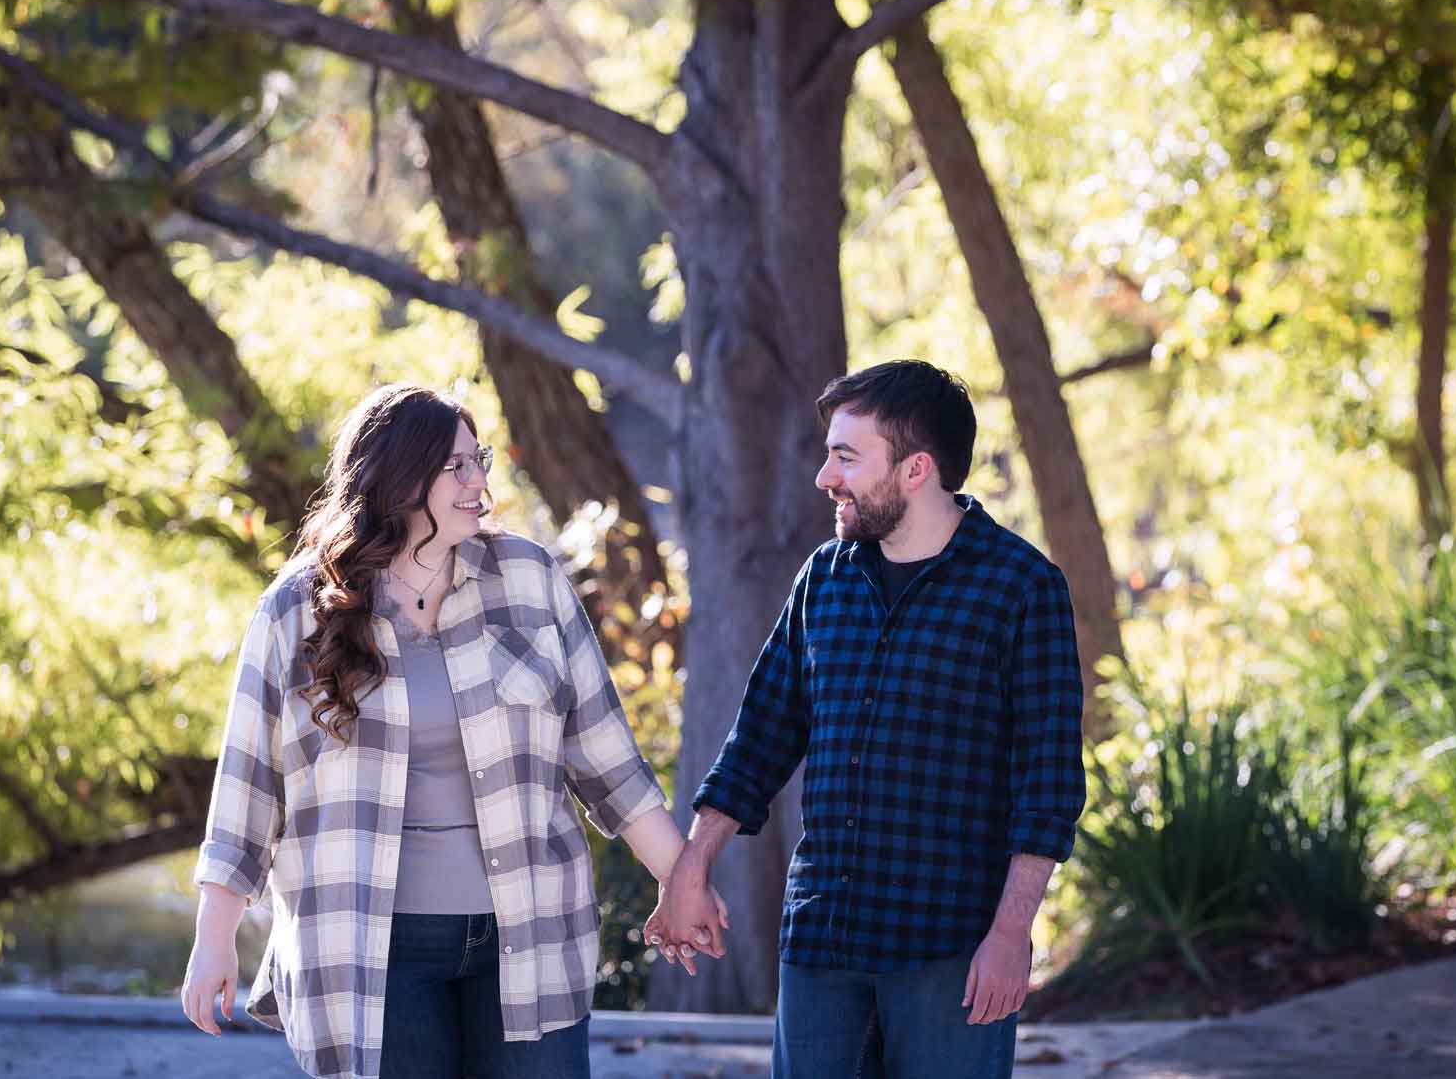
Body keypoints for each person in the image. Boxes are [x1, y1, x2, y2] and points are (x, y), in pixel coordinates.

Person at [179, 382, 713, 1079]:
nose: (478, 480)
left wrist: (683, 880)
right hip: (370, 947)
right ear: (398, 477)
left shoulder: (528, 579)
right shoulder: (296, 608)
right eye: (455, 465)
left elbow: (607, 759)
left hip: (528, 935)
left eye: (479, 459)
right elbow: (248, 785)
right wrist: (213, 937)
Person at [647, 360, 1086, 1079]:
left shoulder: (1022, 588)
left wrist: (1013, 933)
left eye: (846, 456)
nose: (825, 476)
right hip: (823, 944)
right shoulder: (823, 578)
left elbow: (1049, 785)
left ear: (916, 469)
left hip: (950, 951)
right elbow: (758, 738)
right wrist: (690, 865)